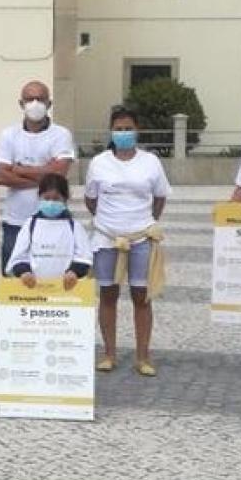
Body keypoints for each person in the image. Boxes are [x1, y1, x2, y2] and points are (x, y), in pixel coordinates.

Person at [84, 106, 170, 377]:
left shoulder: (151, 162)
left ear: (137, 130)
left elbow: (159, 196)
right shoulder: (98, 162)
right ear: (111, 131)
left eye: (128, 128)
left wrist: (145, 222)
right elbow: (91, 198)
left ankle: (143, 356)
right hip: (108, 237)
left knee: (141, 297)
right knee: (108, 294)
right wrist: (110, 223)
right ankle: (109, 353)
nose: (123, 133)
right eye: (118, 129)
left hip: (141, 237)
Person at [0, 81, 75, 276]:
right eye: (30, 99)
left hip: (54, 221)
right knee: (13, 282)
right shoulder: (9, 135)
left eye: (40, 98)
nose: (35, 103)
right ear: (21, 104)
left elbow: (60, 173)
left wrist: (19, 169)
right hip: (16, 221)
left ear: (49, 103)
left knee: (52, 279)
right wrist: (45, 176)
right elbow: (1, 176)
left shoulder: (61, 134)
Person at [6, 172, 93, 289]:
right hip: (33, 290)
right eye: (46, 198)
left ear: (65, 198)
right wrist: (24, 272)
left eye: (56, 199)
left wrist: (74, 272)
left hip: (66, 291)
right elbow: (18, 256)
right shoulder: (30, 225)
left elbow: (84, 256)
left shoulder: (74, 227)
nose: (51, 202)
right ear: (39, 197)